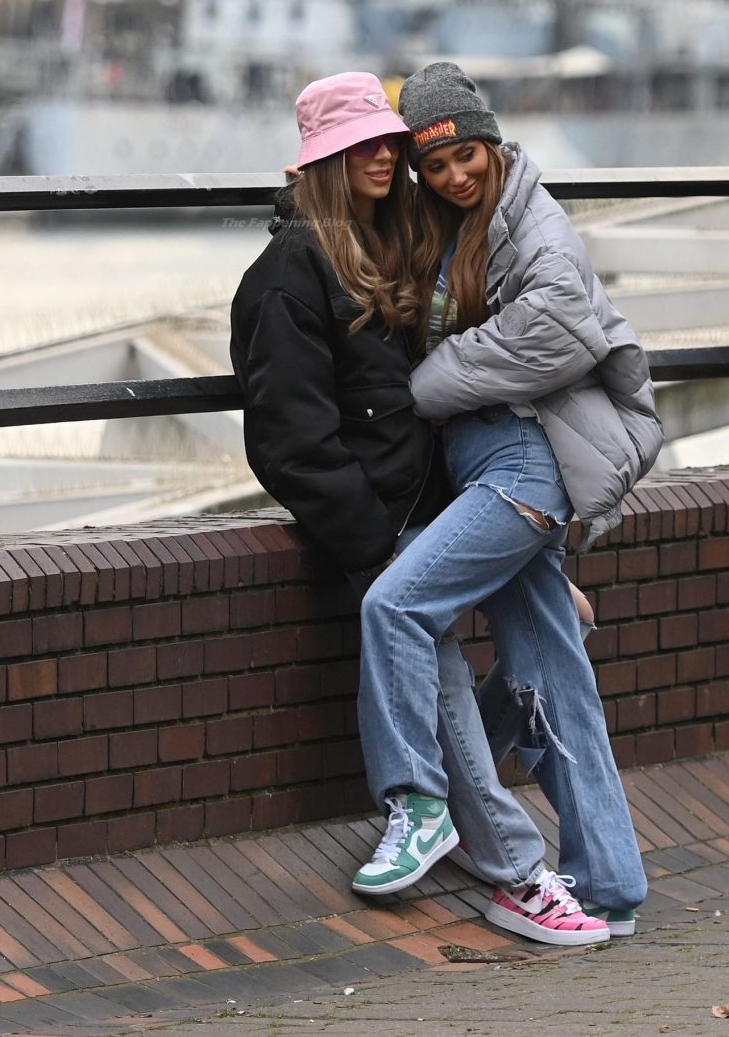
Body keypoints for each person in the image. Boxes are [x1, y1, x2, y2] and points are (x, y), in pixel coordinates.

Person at [230, 72, 610, 947]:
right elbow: (290, 445)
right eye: (358, 146)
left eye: (387, 144)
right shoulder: (287, 275)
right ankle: (517, 874)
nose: (382, 158)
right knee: (432, 668)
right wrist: (379, 552)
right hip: (378, 525)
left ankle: (460, 825)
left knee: (535, 643)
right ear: (322, 163)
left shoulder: (389, 246)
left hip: (431, 510)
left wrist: (521, 557)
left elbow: (422, 418)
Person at [355, 61, 663, 938]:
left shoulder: (536, 222)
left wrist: (428, 383)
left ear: (491, 144)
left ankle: (422, 808)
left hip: (521, 469)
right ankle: (611, 884)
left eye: (466, 155)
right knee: (553, 679)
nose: (455, 174)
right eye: (435, 164)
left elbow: (555, 335)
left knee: (396, 606)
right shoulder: (456, 225)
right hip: (502, 465)